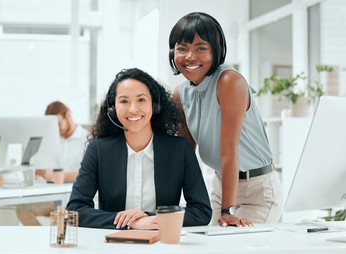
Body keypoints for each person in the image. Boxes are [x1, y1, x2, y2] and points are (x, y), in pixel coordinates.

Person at [168, 12, 283, 227]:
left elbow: (229, 152)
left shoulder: (229, 81)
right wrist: (168, 205)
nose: (190, 56)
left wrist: (227, 211)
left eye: (201, 48)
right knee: (208, 250)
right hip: (221, 185)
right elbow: (185, 156)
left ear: (216, 50)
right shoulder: (181, 94)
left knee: (235, 251)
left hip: (257, 191)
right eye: (182, 48)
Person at [66, 68, 212, 229]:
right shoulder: (98, 150)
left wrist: (152, 219)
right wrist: (130, 223)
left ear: (154, 105)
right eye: (124, 101)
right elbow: (74, 210)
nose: (133, 109)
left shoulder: (179, 150)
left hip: (162, 243)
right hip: (113, 245)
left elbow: (201, 211)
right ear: (112, 109)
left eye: (141, 100)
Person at [16, 101, 89, 226]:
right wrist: (38, 170)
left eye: (59, 123)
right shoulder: (53, 139)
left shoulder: (87, 139)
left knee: (59, 218)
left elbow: (88, 175)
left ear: (68, 115)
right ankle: (40, 243)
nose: (57, 128)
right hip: (54, 194)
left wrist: (55, 175)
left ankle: (55, 241)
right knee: (22, 210)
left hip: (74, 197)